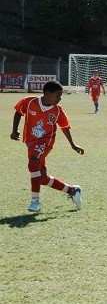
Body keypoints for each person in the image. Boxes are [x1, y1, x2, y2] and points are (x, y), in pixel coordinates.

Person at [10, 80, 84, 212]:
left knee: (33, 163)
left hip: (46, 142)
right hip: (31, 143)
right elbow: (18, 112)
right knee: (41, 178)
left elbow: (65, 127)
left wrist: (72, 144)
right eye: (58, 95)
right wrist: (14, 130)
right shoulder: (29, 102)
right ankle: (73, 190)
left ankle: (35, 201)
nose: (60, 98)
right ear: (47, 93)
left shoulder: (57, 111)